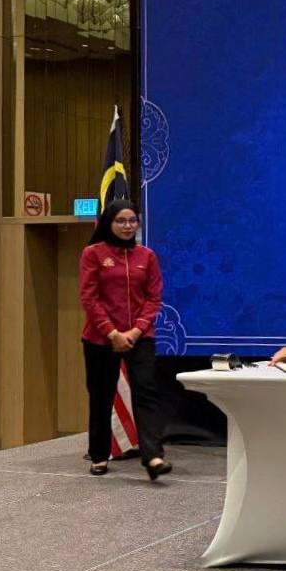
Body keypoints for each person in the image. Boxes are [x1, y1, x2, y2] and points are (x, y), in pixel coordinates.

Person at [79, 199, 170, 480]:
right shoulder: (93, 254)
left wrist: (135, 331)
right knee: (101, 396)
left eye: (132, 220)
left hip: (140, 337)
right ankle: (99, 455)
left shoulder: (147, 256)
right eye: (121, 221)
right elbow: (89, 298)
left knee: (146, 392)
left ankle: (153, 456)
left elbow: (154, 298)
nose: (128, 226)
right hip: (100, 338)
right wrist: (112, 332)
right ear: (109, 223)